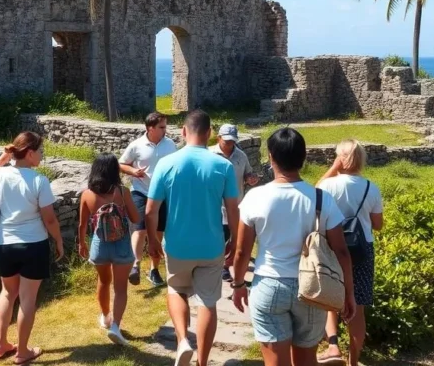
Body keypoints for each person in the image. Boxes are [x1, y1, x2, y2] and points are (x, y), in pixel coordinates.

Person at [231, 128, 356, 366]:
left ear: (270, 157)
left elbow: (242, 252)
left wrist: (238, 285)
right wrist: (348, 292)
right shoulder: (321, 198)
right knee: (306, 360)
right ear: (303, 157)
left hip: (269, 283)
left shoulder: (255, 197)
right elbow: (341, 251)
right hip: (312, 286)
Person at [146, 110, 239, 366]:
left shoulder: (166, 164)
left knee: (176, 289)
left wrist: (153, 241)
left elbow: (150, 210)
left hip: (177, 245)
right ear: (209, 134)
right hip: (211, 246)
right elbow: (233, 210)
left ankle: (183, 341)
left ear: (183, 132)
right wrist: (236, 242)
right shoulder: (223, 166)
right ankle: (203, 360)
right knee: (208, 302)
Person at [0, 131, 64, 365]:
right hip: (33, 244)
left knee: (7, 292)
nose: (41, 156)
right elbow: (49, 219)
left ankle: (1, 344)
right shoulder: (39, 181)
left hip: (5, 243)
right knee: (27, 299)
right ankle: (23, 351)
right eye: (39, 151)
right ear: (29, 153)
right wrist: (58, 241)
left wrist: (4, 156)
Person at [315, 140, 384, 366]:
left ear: (340, 159)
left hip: (331, 248)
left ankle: (333, 345)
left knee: (329, 298)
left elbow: (314, 193)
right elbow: (378, 225)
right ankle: (353, 361)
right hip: (362, 251)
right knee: (358, 307)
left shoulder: (328, 186)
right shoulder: (370, 188)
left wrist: (334, 168)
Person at [78, 153, 141, 346]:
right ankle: (116, 327)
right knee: (121, 288)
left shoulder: (87, 194)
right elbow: (136, 219)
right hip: (121, 244)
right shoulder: (122, 192)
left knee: (103, 282)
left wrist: (82, 243)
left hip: (99, 244)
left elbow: (82, 225)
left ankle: (106, 317)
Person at [119, 111, 177, 287]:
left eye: (165, 126)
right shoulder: (136, 146)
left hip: (163, 195)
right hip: (140, 192)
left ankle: (154, 269)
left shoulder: (170, 145)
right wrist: (134, 172)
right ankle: (135, 265)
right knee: (140, 229)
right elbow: (121, 164)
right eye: (161, 127)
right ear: (150, 128)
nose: (165, 130)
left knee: (158, 232)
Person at [209, 123, 258, 282]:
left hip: (236, 206)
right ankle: (214, 266)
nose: (230, 144)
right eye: (227, 141)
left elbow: (248, 173)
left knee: (233, 239)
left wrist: (251, 179)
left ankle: (225, 266)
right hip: (214, 206)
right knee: (218, 239)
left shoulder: (241, 156)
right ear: (218, 138)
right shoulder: (209, 154)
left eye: (232, 141)